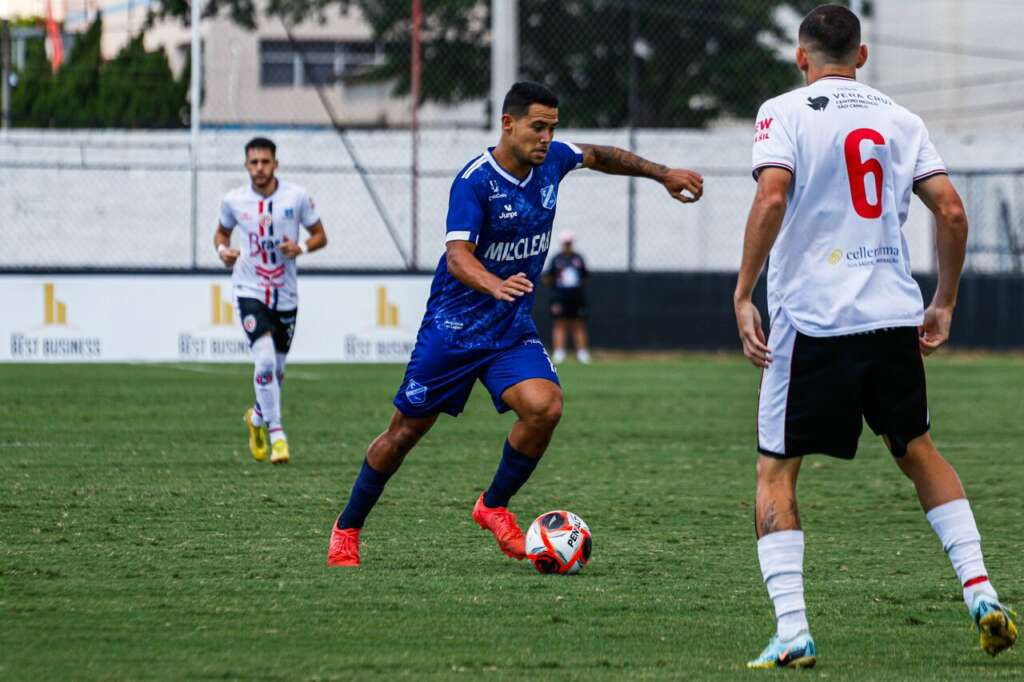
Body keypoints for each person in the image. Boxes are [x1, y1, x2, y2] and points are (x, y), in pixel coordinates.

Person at [734, 4, 1016, 669]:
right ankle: (981, 592)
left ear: (801, 57)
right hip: (891, 314)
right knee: (917, 450)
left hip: (813, 318)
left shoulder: (783, 111)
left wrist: (743, 293)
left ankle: (793, 630)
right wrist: (943, 301)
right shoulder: (900, 119)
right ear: (862, 56)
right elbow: (951, 210)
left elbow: (771, 197)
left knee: (776, 468)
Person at [327, 81, 703, 567]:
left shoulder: (553, 161)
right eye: (537, 127)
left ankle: (493, 505)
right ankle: (347, 528)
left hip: (509, 331)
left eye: (552, 128)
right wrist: (493, 284)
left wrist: (663, 174)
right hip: (454, 331)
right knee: (403, 434)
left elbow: (600, 155)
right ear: (508, 124)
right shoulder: (475, 182)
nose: (546, 138)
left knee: (545, 407)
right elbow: (457, 256)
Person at [215, 137, 327, 465]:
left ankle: (256, 419)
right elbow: (221, 234)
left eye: (265, 162)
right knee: (263, 362)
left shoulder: (297, 196)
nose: (260, 168)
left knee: (276, 371)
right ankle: (278, 435)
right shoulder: (234, 200)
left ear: (276, 164)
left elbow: (320, 235)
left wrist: (301, 248)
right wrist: (223, 251)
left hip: (285, 294)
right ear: (246, 165)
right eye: (254, 162)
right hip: (249, 290)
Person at [544, 231, 591, 364]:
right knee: (560, 323)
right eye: (565, 243)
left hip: (576, 296)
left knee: (578, 324)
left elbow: (585, 276)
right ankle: (559, 352)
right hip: (560, 297)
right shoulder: (556, 259)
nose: (567, 246)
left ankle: (582, 352)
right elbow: (548, 277)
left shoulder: (578, 258)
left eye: (569, 243)